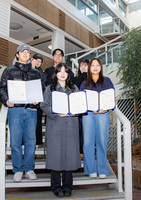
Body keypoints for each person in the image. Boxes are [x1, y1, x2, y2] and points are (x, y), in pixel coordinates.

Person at [0, 44, 41, 182]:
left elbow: (41, 90)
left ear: (29, 56)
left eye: (28, 52)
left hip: (31, 110)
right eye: (22, 51)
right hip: (15, 110)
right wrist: (6, 100)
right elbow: (1, 89)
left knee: (31, 141)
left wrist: (37, 100)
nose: (25, 53)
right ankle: (17, 169)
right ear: (17, 54)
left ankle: (29, 169)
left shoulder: (36, 73)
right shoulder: (9, 70)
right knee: (15, 141)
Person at [40, 63, 81, 197]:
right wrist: (56, 112)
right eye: (59, 71)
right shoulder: (49, 89)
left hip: (71, 125)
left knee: (70, 156)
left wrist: (76, 111)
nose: (62, 73)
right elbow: (44, 105)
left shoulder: (74, 88)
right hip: (56, 125)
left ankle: (68, 186)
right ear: (56, 73)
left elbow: (80, 105)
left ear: (69, 74)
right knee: (55, 156)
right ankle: (56, 186)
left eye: (65, 71)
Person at [80, 58, 114, 179]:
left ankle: (102, 169)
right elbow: (80, 101)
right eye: (92, 65)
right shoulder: (84, 83)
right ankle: (90, 170)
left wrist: (106, 108)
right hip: (88, 114)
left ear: (100, 67)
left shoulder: (107, 81)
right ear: (89, 68)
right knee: (88, 142)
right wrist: (90, 108)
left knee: (102, 141)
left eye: (97, 65)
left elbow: (111, 98)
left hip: (103, 114)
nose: (95, 67)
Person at [72, 59, 89, 155]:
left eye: (85, 65)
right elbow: (76, 88)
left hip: (88, 109)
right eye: (81, 66)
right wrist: (83, 75)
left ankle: (86, 149)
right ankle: (79, 149)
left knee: (86, 131)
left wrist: (86, 75)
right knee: (78, 130)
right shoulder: (75, 79)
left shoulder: (92, 79)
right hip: (78, 108)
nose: (83, 67)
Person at [31, 53, 47, 145]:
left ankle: (36, 143)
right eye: (36, 60)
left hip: (37, 103)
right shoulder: (26, 69)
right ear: (32, 59)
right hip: (26, 103)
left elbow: (43, 82)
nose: (38, 62)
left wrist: (35, 70)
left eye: (40, 61)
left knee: (37, 124)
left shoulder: (42, 73)